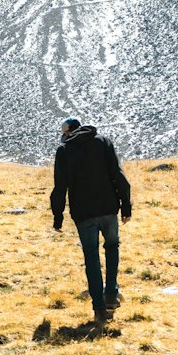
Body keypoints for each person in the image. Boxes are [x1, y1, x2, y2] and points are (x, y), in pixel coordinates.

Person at [50, 117, 131, 328]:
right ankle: (111, 294)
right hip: (109, 209)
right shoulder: (103, 142)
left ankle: (99, 308)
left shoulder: (65, 151)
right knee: (112, 248)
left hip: (84, 213)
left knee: (91, 257)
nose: (62, 135)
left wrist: (57, 216)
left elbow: (60, 186)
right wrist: (126, 205)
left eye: (64, 132)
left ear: (70, 132)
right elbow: (117, 173)